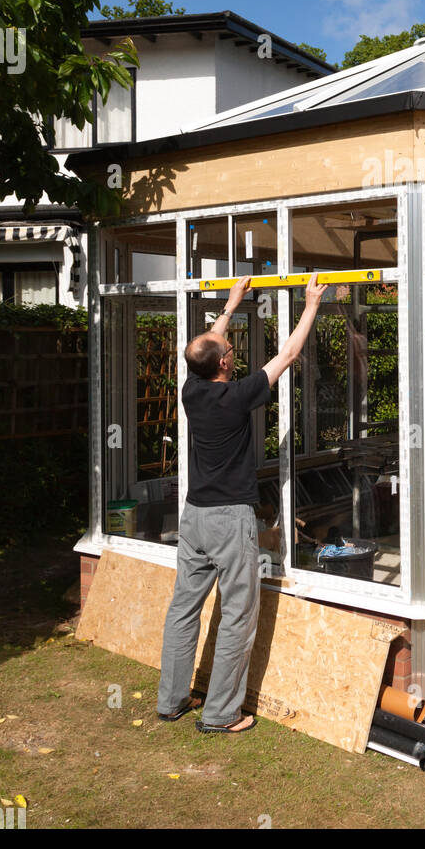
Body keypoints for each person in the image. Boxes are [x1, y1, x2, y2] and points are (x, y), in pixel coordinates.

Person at [157, 272, 327, 733]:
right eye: (229, 352)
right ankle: (220, 714)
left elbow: (208, 345)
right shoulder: (235, 396)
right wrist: (311, 303)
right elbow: (288, 355)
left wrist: (231, 304)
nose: (230, 350)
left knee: (183, 609)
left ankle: (171, 701)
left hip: (194, 517)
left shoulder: (192, 390)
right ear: (226, 365)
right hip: (230, 520)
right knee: (236, 615)